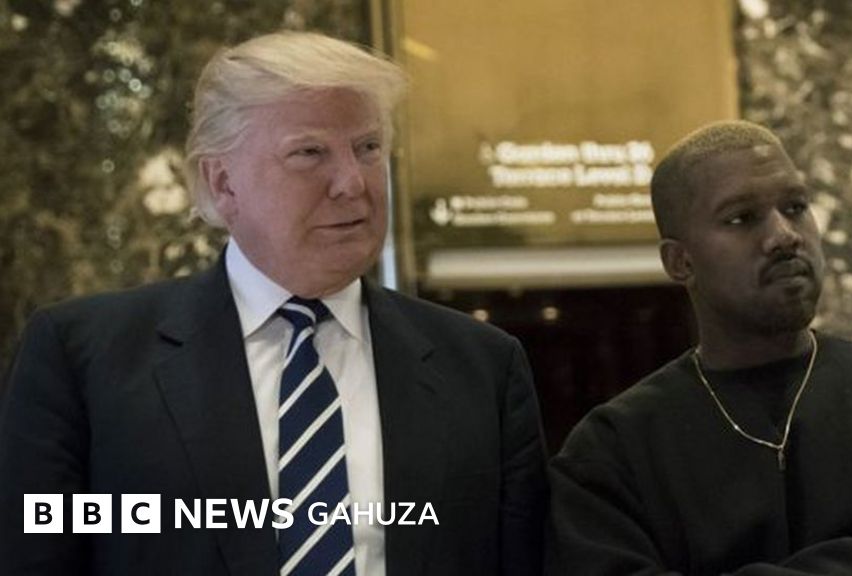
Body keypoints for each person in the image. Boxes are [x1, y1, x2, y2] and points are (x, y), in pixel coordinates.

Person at [0, 31, 547, 576]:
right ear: (223, 183)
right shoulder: (86, 359)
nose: (352, 183)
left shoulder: (482, 367)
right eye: (309, 153)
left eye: (368, 148)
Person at [545, 120, 852, 575]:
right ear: (680, 261)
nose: (783, 236)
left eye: (795, 207)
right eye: (741, 218)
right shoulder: (613, 455)